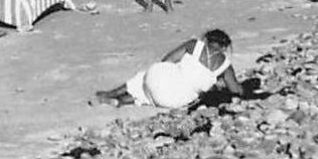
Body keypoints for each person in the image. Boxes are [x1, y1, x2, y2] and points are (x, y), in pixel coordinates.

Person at [92, 29, 245, 109]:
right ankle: (122, 102)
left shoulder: (194, 45)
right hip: (176, 100)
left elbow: (167, 60)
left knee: (143, 79)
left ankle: (111, 94)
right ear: (224, 47)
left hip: (158, 81)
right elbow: (235, 90)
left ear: (206, 40)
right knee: (150, 98)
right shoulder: (226, 66)